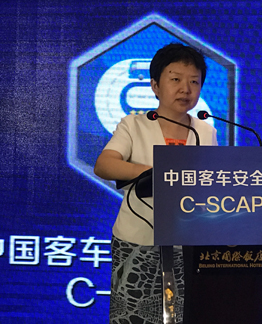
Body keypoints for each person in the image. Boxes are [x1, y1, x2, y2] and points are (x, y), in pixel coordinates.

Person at [94, 43, 218, 324]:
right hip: (137, 241)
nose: (185, 89)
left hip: (188, 243)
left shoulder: (206, 131)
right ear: (155, 86)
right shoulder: (133, 125)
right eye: (176, 79)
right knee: (133, 315)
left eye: (194, 82)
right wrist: (157, 173)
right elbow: (104, 164)